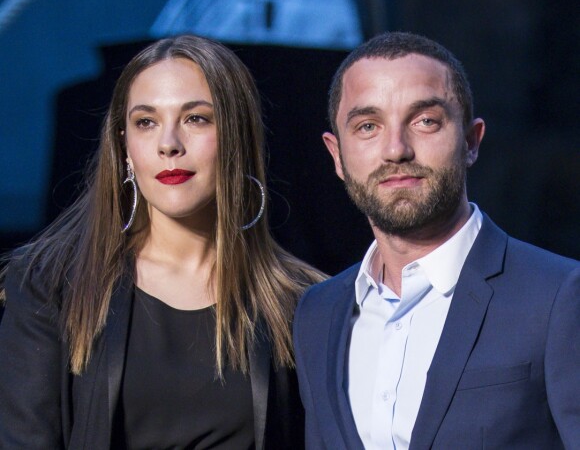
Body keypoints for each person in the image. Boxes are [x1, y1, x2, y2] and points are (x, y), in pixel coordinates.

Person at [0, 34, 325, 449]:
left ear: (237, 137)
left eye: (196, 118)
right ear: (125, 147)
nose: (169, 143)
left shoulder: (301, 302)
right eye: (146, 122)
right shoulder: (50, 283)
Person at [293, 31, 580, 449]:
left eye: (425, 121)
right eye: (368, 126)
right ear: (337, 155)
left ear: (470, 141)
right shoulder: (317, 314)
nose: (396, 150)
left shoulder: (558, 297)